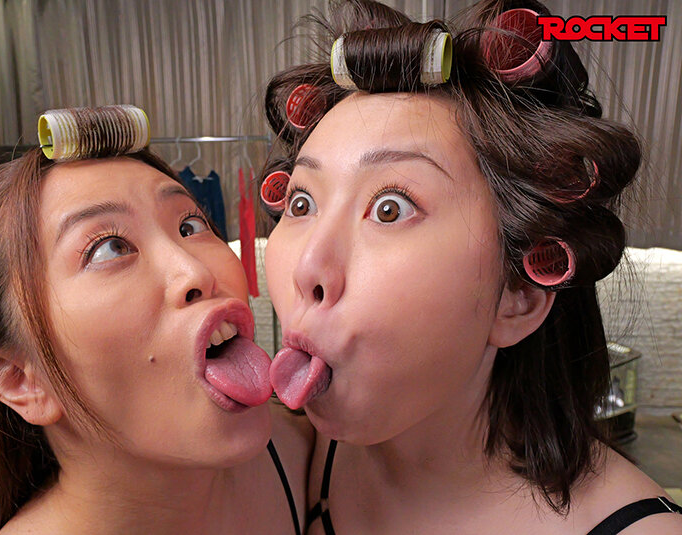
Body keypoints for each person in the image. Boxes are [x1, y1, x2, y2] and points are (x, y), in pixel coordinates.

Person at [259, 1, 682, 533]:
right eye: (301, 203)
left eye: (389, 209)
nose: (307, 269)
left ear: (518, 296)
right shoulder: (291, 459)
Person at [0, 117, 311, 535]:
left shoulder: (313, 457)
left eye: (190, 226)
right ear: (21, 380)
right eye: (109, 248)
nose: (195, 270)